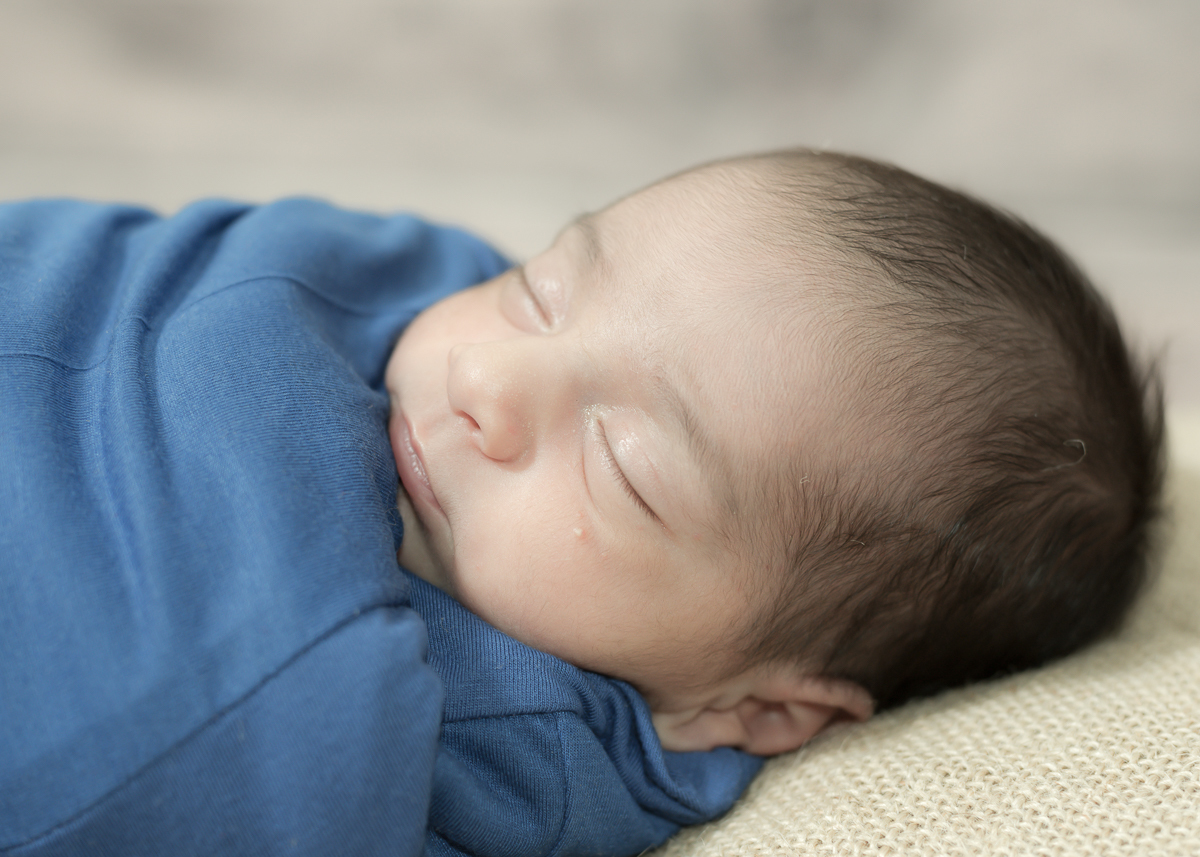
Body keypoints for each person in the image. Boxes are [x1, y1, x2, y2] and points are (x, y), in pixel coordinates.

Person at [0, 150, 1162, 857]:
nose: (487, 382)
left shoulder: (444, 736)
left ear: (754, 709)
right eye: (545, 286)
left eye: (622, 463)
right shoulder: (413, 279)